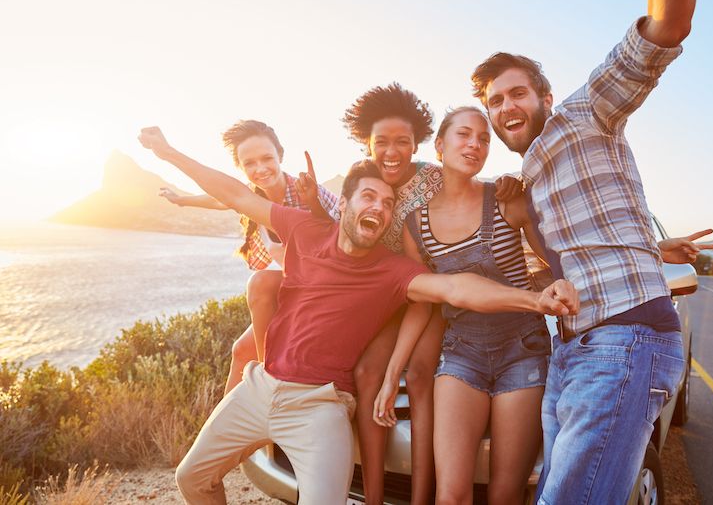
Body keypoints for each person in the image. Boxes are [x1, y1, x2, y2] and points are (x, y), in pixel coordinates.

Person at [137, 126, 579, 504]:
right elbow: (233, 193)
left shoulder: (392, 272)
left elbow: (456, 287)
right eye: (369, 197)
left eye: (387, 205)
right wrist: (169, 152)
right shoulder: (303, 228)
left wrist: (535, 301)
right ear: (343, 204)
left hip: (319, 405)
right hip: (260, 386)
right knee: (191, 477)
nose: (379, 209)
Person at [470, 0, 713, 502]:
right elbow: (567, 260)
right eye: (495, 101)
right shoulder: (524, 181)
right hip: (570, 353)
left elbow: (667, 26)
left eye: (517, 92)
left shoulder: (585, 116)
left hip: (624, 341)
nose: (507, 107)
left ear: (545, 96)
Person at [342, 83, 525, 504]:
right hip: (388, 300)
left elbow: (475, 184)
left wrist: (511, 183)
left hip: (432, 298)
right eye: (381, 143)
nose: (391, 152)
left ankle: (422, 496)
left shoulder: (435, 175)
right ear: (366, 144)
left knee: (422, 373)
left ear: (420, 144)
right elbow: (341, 220)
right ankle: (373, 496)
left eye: (402, 142)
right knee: (369, 374)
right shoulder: (363, 180)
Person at [374, 106, 551, 504]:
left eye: (484, 139)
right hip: (461, 355)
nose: (474, 145)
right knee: (451, 494)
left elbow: (556, 259)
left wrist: (653, 250)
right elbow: (423, 303)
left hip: (523, 349)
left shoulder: (507, 200)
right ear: (439, 145)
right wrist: (391, 375)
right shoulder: (415, 225)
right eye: (464, 135)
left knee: (504, 494)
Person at [158, 120, 339, 394]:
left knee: (262, 282)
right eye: (249, 163)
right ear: (241, 168)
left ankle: (268, 382)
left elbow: (347, 235)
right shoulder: (251, 195)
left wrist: (314, 203)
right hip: (296, 286)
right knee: (242, 351)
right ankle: (224, 432)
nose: (260, 169)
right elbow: (220, 199)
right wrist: (181, 200)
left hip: (328, 289)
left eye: (267, 158)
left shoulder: (308, 191)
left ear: (280, 156)